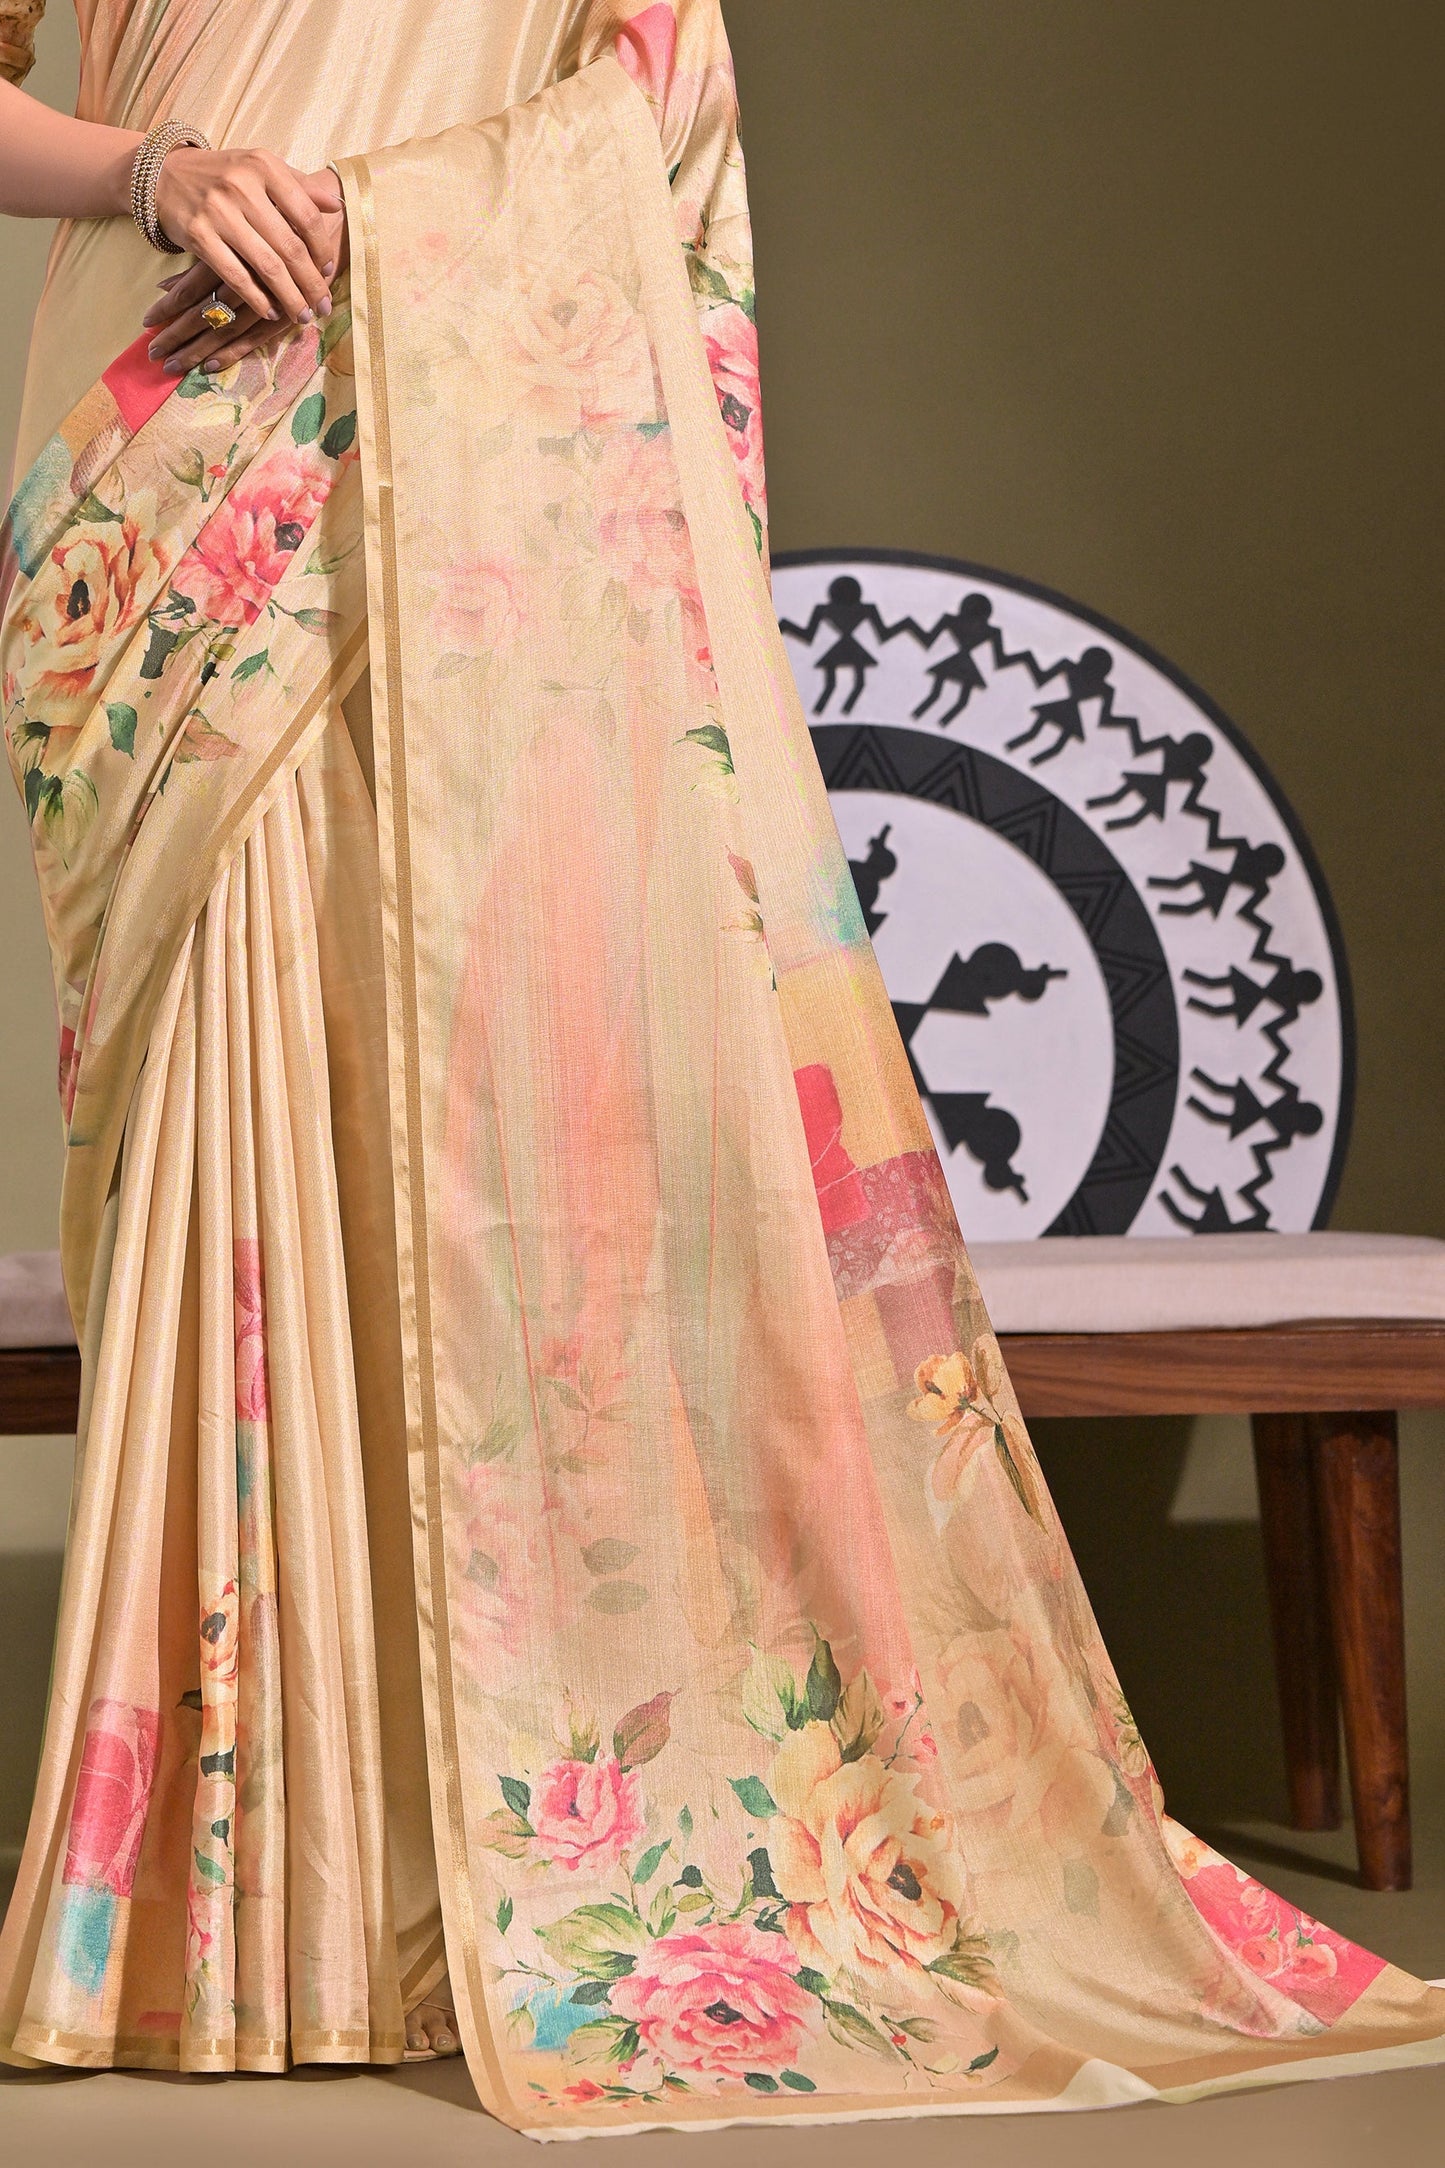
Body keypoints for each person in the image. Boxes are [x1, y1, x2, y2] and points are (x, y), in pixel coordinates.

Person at [1, 1, 1442, 2140]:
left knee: (487, 1128)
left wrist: (409, 227)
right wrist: (157, 171)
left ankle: (434, 1882)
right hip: (175, 480)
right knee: (240, 1148)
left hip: (470, 484)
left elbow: (651, 103)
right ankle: (256, 1907)